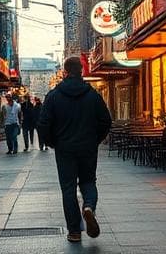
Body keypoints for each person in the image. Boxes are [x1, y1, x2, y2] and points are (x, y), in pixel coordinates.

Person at [37, 56, 112, 243]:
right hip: (87, 147)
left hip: (65, 149)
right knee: (88, 181)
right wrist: (95, 139)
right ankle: (88, 207)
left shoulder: (53, 96)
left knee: (68, 188)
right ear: (82, 70)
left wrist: (53, 142)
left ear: (65, 71)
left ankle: (74, 231)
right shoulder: (93, 95)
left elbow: (43, 124)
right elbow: (106, 121)